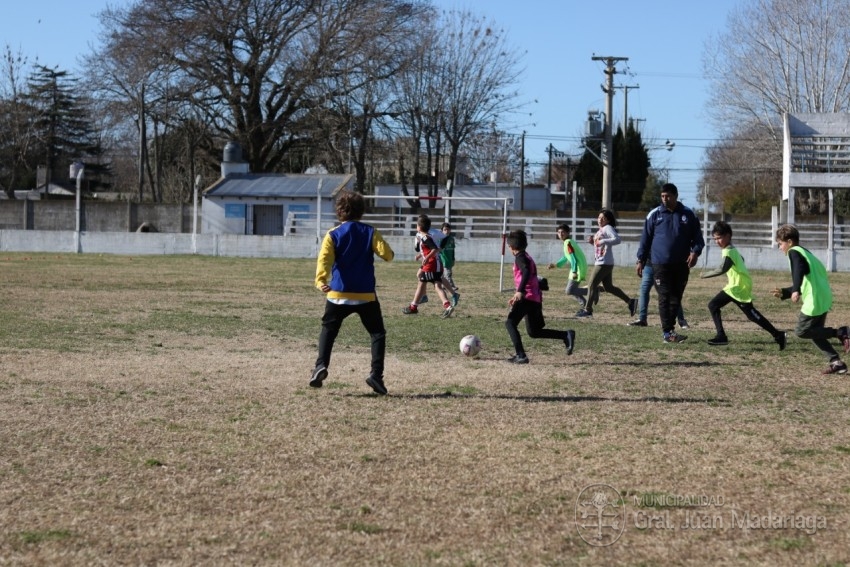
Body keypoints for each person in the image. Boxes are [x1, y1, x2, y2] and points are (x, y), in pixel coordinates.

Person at [311, 190, 394, 395]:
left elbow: (324, 260)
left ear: (339, 211)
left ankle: (320, 366)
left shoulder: (333, 234)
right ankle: (376, 375)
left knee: (329, 331)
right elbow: (388, 255)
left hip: (338, 293)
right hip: (365, 295)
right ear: (361, 211)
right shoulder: (370, 231)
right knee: (377, 334)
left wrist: (321, 281)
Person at [772, 224, 850, 374]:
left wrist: (795, 290)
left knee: (802, 331)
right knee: (815, 332)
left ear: (789, 242)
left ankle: (840, 332)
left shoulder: (793, 252)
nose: (780, 247)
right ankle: (836, 362)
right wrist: (786, 292)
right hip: (822, 297)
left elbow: (799, 271)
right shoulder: (805, 253)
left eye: (780, 244)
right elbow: (807, 279)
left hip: (814, 300)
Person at [636, 183, 704, 343]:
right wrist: (640, 259)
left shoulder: (688, 214)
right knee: (664, 296)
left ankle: (670, 330)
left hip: (681, 264)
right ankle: (667, 332)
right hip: (660, 264)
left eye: (668, 196)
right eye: (662, 196)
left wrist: (695, 252)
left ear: (675, 196)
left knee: (676, 297)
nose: (664, 199)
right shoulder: (654, 214)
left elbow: (698, 239)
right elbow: (645, 239)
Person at [700, 221, 785, 349]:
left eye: (720, 238)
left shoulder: (728, 251)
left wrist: (704, 275)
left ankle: (722, 336)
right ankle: (778, 335)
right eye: (715, 239)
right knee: (750, 315)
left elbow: (722, 269)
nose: (717, 241)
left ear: (728, 236)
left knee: (714, 305)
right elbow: (741, 259)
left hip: (737, 287)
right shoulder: (731, 249)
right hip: (738, 286)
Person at [504, 230, 575, 364]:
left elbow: (525, 272)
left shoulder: (520, 257)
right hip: (535, 298)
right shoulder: (526, 256)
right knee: (534, 332)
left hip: (527, 297)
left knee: (510, 323)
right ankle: (566, 335)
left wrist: (519, 291)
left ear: (511, 247)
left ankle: (521, 355)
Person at [576, 209, 637, 319]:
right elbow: (601, 246)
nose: (600, 220)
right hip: (604, 262)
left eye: (603, 218)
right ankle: (630, 302)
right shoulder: (601, 230)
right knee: (608, 287)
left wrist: (603, 241)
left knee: (591, 285)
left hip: (603, 263)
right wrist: (592, 242)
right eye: (599, 217)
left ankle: (587, 310)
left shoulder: (607, 228)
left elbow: (617, 239)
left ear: (608, 220)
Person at [402, 214, 454, 318]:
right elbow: (429, 249)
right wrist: (421, 255)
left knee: (421, 283)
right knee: (437, 286)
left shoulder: (425, 238)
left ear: (419, 227)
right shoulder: (424, 237)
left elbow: (434, 249)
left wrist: (426, 258)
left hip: (431, 265)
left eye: (417, 225)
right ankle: (447, 306)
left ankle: (413, 307)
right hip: (436, 264)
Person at [628, 263, 689, 329]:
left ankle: (681, 320)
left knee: (671, 293)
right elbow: (643, 252)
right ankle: (642, 319)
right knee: (644, 289)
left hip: (663, 265)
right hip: (649, 265)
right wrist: (640, 260)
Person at [547, 222, 588, 310]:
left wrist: (574, 271)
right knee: (572, 290)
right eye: (559, 232)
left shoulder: (568, 243)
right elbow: (566, 257)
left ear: (568, 233)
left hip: (577, 268)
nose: (560, 234)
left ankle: (593, 291)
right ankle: (584, 304)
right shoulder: (568, 242)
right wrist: (556, 265)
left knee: (569, 290)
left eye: (563, 232)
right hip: (577, 267)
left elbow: (573, 258)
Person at [439, 222, 461, 306]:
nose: (447, 231)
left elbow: (453, 249)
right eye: (445, 229)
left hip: (449, 260)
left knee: (447, 275)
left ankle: (450, 287)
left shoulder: (451, 239)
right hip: (442, 260)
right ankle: (452, 287)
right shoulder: (440, 239)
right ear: (442, 231)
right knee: (445, 275)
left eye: (448, 229)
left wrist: (453, 258)